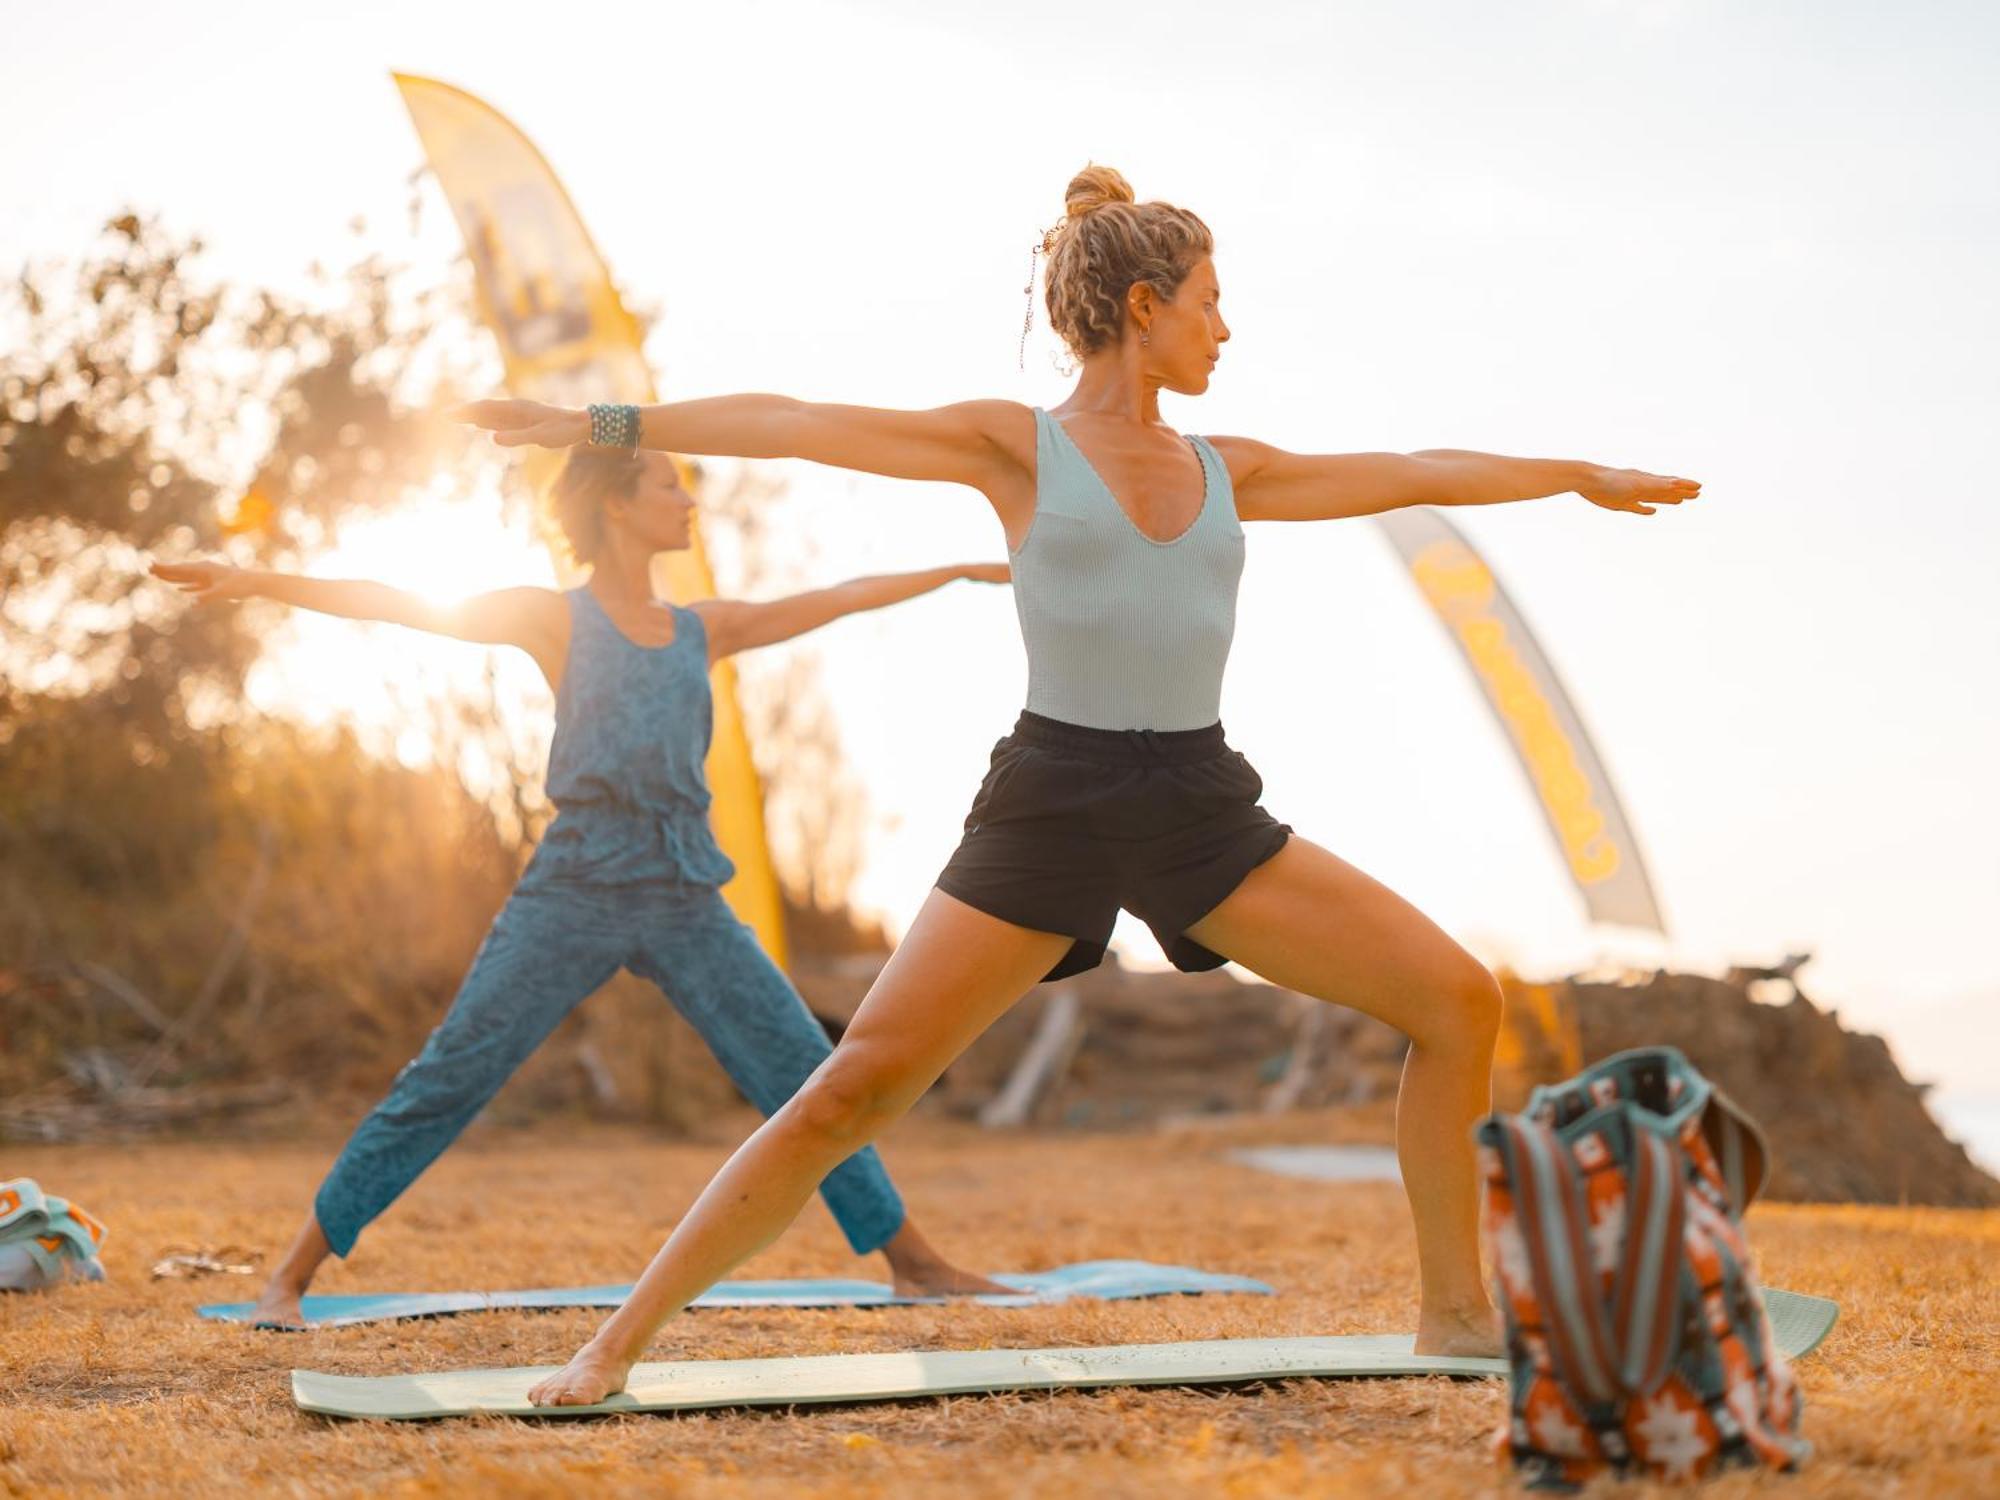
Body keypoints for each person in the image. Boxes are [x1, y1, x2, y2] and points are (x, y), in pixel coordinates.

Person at [456, 164, 1702, 1404]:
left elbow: (1416, 467)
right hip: (1051, 800)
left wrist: (1575, 471)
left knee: (1455, 1001)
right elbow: (793, 420)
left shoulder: (1235, 468)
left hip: (1198, 807)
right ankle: (611, 1348)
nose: (1226, 327)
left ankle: (1452, 1317)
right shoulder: (1015, 447)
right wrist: (592, 427)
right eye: (1211, 301)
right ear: (1145, 307)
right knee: (853, 1091)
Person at [150, 447, 1012, 1326]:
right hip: (574, 892)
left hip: (683, 896)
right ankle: (286, 1280)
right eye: (668, 486)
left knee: (804, 1070)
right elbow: (400, 602)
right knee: (452, 1073)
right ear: (615, 505)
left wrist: (954, 569)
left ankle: (915, 1264)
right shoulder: (553, 618)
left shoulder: (699, 628)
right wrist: (251, 578)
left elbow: (835, 598)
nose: (687, 501)